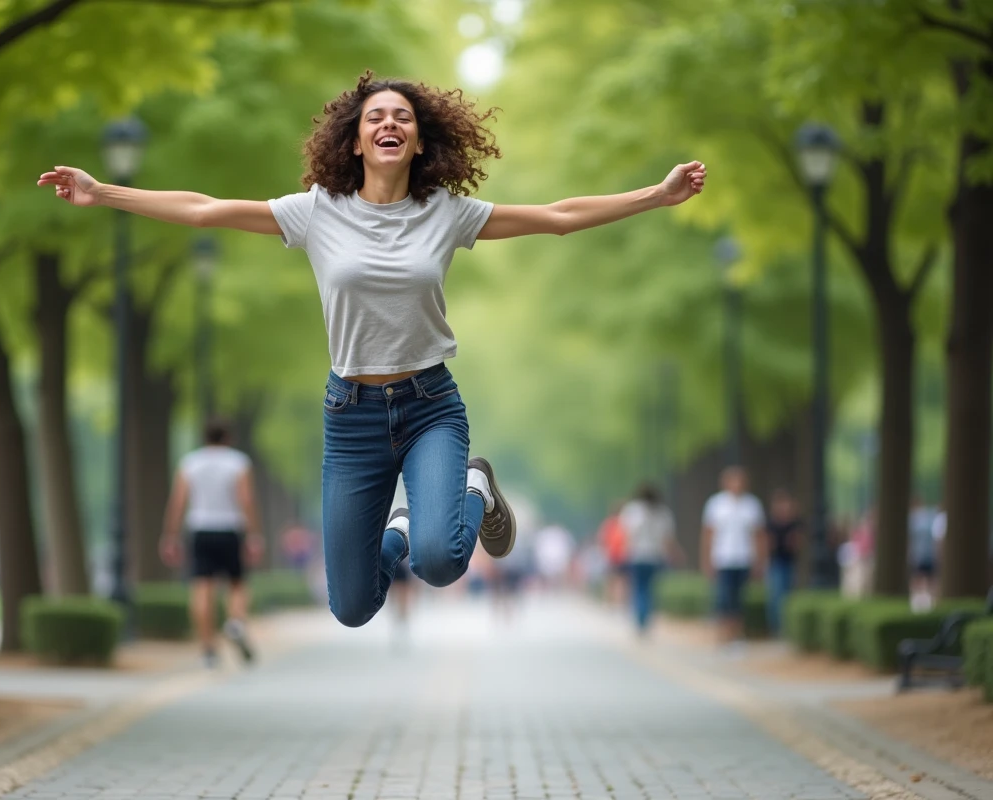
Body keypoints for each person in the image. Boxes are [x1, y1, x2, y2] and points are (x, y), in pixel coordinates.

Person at [39, 72, 707, 628]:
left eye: (403, 117)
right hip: (351, 415)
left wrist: (657, 194)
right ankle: (401, 528)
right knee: (353, 607)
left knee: (440, 561)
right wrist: (103, 192)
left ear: (419, 141)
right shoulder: (316, 211)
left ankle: (473, 485)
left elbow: (557, 218)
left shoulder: (446, 212)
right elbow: (204, 209)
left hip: (429, 406)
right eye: (375, 117)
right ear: (355, 140)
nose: (389, 123)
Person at [160, 418, 262, 667]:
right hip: (230, 528)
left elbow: (178, 501)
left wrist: (170, 535)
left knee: (202, 587)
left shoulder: (190, 463)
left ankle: (208, 649)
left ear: (204, 437)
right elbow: (246, 499)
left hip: (200, 529)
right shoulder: (238, 462)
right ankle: (235, 622)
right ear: (228, 438)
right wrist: (253, 534)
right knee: (237, 583)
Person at [700, 467, 766, 645]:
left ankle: (737, 634)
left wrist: (760, 560)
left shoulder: (752, 505)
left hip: (744, 558)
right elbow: (708, 535)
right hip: (722, 558)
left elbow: (759, 535)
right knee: (724, 598)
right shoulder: (716, 505)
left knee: (738, 599)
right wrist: (706, 560)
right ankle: (724, 635)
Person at [619, 482, 682, 637]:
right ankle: (646, 617)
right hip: (655, 556)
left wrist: (625, 552)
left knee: (639, 588)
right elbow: (667, 539)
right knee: (649, 589)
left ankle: (640, 617)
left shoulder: (633, 511)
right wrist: (674, 554)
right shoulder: (663, 513)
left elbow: (627, 534)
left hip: (637, 555)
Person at [764, 489, 803, 635]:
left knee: (788, 595)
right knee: (776, 595)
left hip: (789, 562)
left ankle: (786, 626)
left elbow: (797, 542)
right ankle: (777, 628)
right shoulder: (771, 523)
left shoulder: (794, 523)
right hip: (776, 562)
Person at [908, 497, 942, 611]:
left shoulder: (914, 519)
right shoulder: (930, 518)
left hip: (919, 556)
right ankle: (932, 604)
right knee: (930, 581)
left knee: (918, 581)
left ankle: (918, 605)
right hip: (928, 555)